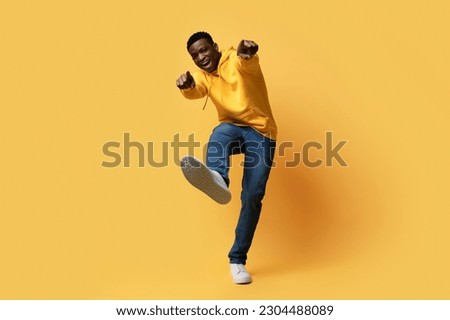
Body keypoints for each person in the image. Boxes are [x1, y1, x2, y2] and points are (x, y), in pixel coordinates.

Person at [176, 31, 277, 284]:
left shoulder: (235, 61)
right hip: (232, 127)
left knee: (253, 196)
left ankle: (237, 261)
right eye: (195, 55)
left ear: (215, 47)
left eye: (204, 50)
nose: (201, 57)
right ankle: (218, 178)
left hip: (260, 131)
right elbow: (196, 89)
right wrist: (187, 86)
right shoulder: (203, 76)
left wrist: (247, 54)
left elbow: (247, 64)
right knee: (220, 134)